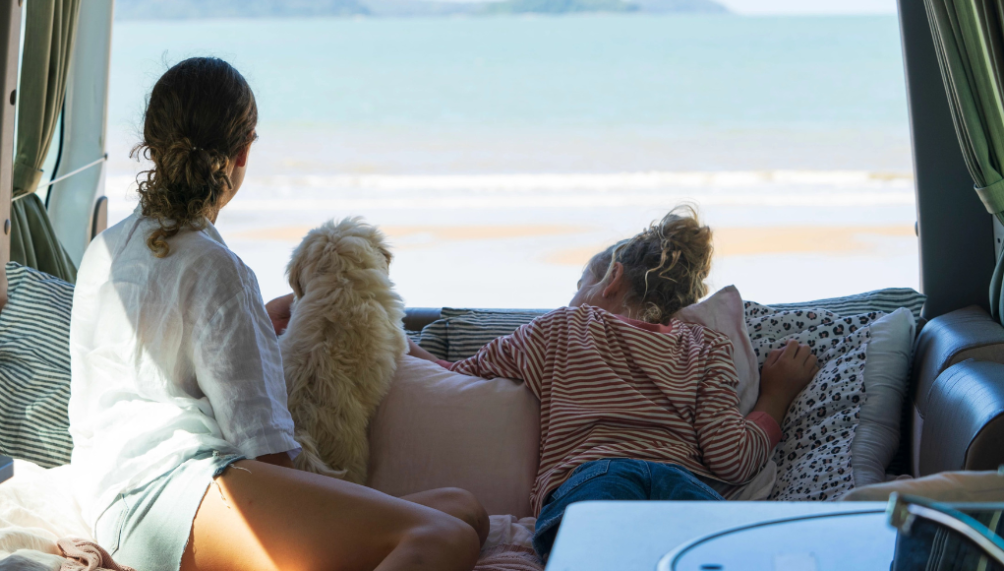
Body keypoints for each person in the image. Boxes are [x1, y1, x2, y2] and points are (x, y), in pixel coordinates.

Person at [67, 57, 488, 571]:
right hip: (174, 495)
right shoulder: (219, 268)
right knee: (446, 539)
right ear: (243, 151)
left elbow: (150, 366)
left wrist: (257, 324)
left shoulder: (104, 250)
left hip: (110, 492)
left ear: (152, 142)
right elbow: (265, 449)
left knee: (465, 510)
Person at [409, 207, 819, 560]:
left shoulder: (562, 327)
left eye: (579, 286)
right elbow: (731, 457)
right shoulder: (705, 344)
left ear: (612, 279)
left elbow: (455, 375)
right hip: (681, 485)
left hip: (595, 478)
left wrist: (400, 346)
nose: (573, 298)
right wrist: (776, 394)